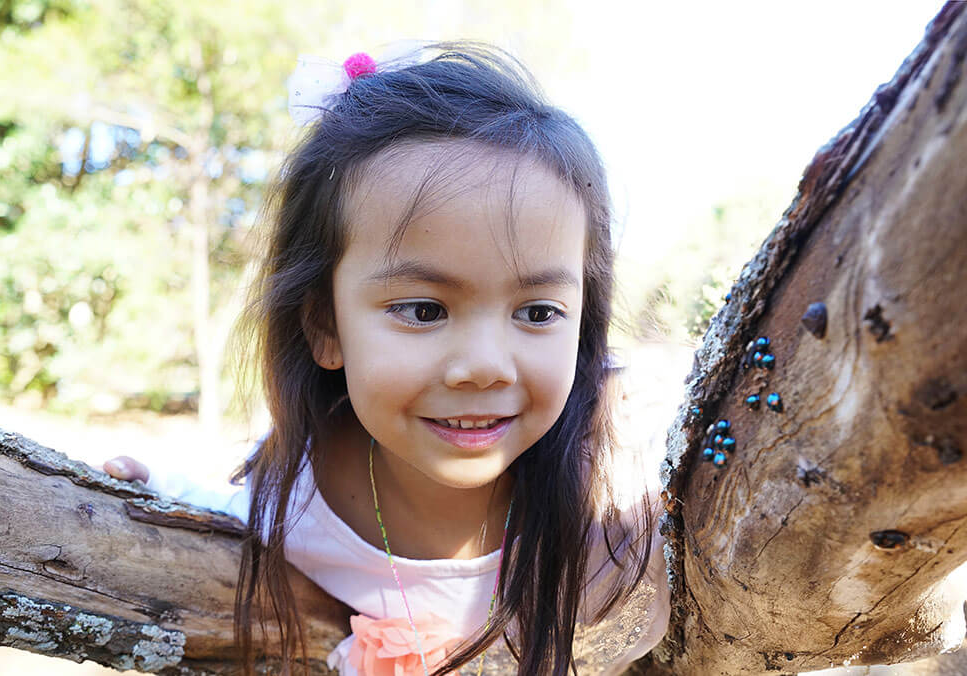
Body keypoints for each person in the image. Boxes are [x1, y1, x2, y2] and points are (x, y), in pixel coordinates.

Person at [104, 43, 670, 676]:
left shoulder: (626, 481)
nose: (486, 367)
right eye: (424, 310)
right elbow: (224, 513)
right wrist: (139, 488)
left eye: (538, 312)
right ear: (325, 325)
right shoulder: (302, 496)